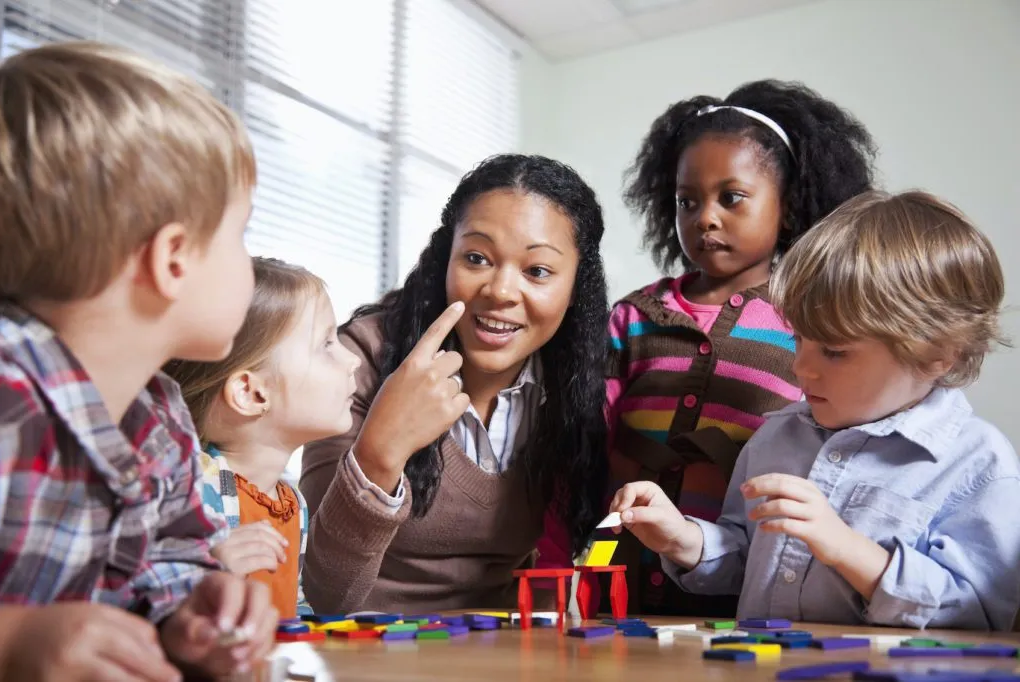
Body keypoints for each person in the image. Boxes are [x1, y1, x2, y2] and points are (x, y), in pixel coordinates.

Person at [611, 191, 1020, 630]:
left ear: (940, 354)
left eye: (835, 351)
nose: (801, 367)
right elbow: (746, 559)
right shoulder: (777, 438)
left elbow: (979, 615)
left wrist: (845, 547)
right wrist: (684, 540)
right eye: (799, 339)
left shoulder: (978, 464)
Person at [0, 41, 274, 680]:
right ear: (172, 259)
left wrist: (192, 614)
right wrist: (9, 643)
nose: (249, 263)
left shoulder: (161, 418)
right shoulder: (6, 401)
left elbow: (170, 559)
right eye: (241, 234)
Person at [607, 79, 876, 614]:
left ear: (788, 206)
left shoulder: (810, 322)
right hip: (617, 572)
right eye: (687, 201)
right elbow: (588, 438)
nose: (705, 217)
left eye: (731, 198)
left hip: (743, 585)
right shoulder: (633, 317)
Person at [300, 154, 609, 613]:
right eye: (476, 258)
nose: (500, 291)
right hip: (367, 643)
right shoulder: (359, 361)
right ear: (446, 258)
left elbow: (565, 556)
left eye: (537, 271)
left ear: (576, 287)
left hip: (500, 644)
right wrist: (381, 451)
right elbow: (329, 594)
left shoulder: (573, 381)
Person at [166, 257, 360, 619]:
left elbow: (288, 609)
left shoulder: (291, 503)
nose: (353, 361)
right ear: (251, 393)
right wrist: (208, 575)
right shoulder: (191, 492)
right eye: (326, 344)